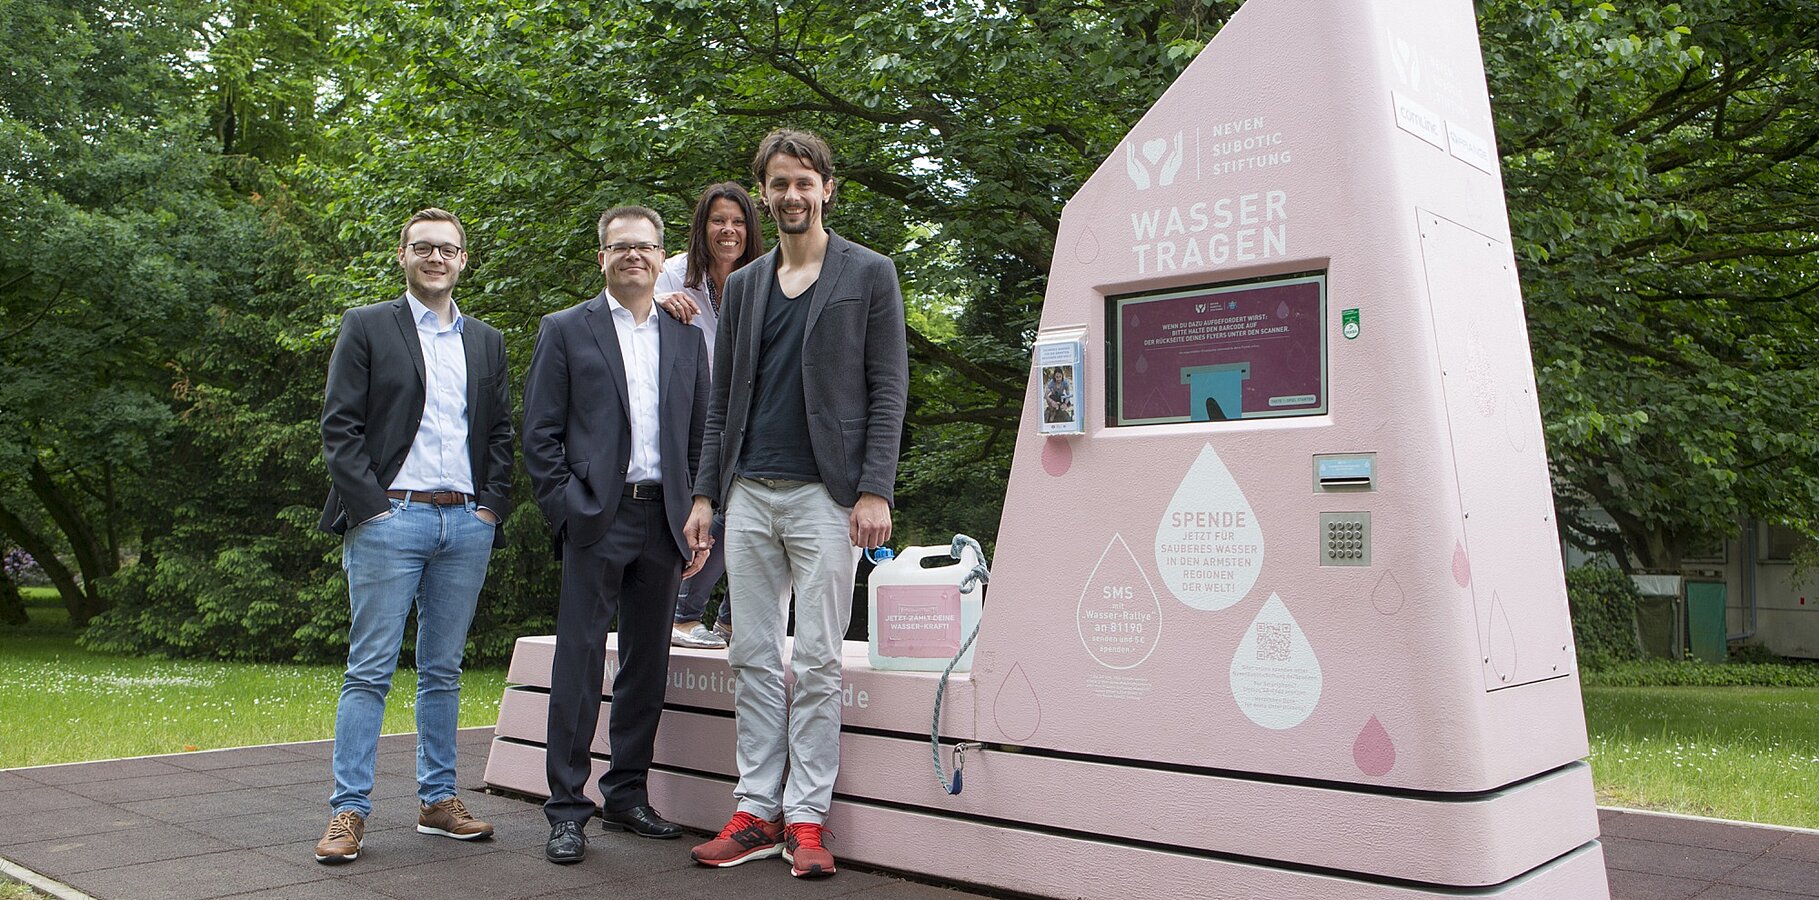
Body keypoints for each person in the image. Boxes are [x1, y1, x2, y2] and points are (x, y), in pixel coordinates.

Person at [685, 129, 909, 879]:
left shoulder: (868, 274)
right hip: (748, 492)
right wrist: (706, 495)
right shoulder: (743, 285)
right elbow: (722, 400)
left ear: (827, 190)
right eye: (776, 184)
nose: (789, 196)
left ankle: (806, 819)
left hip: (826, 495)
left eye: (802, 183)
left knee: (815, 661)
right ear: (763, 193)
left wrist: (875, 487)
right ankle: (755, 810)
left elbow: (888, 388)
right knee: (751, 657)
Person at [314, 208, 513, 864]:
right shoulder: (368, 326)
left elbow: (499, 436)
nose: (436, 258)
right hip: (388, 520)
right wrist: (372, 510)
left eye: (448, 249)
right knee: (369, 670)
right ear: (402, 254)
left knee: (443, 671)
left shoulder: (485, 340)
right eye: (423, 247)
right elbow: (339, 428)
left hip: (464, 524)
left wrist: (489, 510)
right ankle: (348, 811)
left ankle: (437, 801)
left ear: (464, 260)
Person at [523, 205, 712, 865]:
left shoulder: (686, 335)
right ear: (600, 257)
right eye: (620, 246)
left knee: (645, 666)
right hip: (596, 519)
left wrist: (698, 512)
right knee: (577, 663)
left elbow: (699, 437)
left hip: (664, 521)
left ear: (662, 258)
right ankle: (567, 810)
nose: (633, 255)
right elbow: (539, 434)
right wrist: (568, 509)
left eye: (644, 246)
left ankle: (626, 796)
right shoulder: (564, 330)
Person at [653, 182, 766, 650]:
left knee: (761, 510)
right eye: (718, 220)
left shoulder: (765, 275)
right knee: (717, 508)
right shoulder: (675, 272)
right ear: (702, 226)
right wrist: (660, 303)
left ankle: (733, 620)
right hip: (694, 410)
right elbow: (630, 308)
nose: (728, 230)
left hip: (752, 410)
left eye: (738, 222)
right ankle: (682, 612)